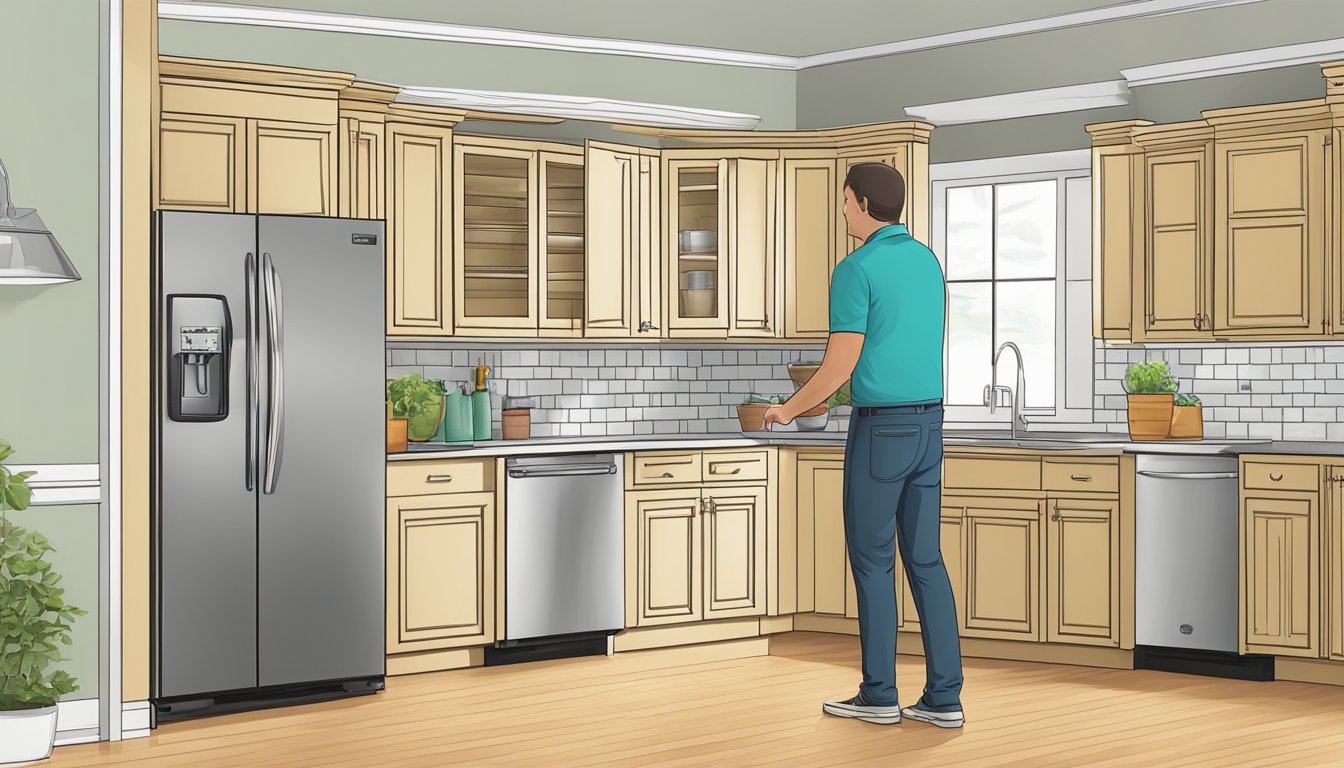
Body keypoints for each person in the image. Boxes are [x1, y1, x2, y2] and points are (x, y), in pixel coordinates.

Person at [762, 162, 964, 728]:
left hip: (881, 432)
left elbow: (840, 361)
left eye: (846, 201)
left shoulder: (855, 268)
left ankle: (879, 694)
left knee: (873, 562)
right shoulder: (927, 262)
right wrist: (840, 389)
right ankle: (945, 697)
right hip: (929, 426)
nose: (843, 210)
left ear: (865, 204)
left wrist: (790, 408)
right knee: (925, 560)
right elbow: (891, 351)